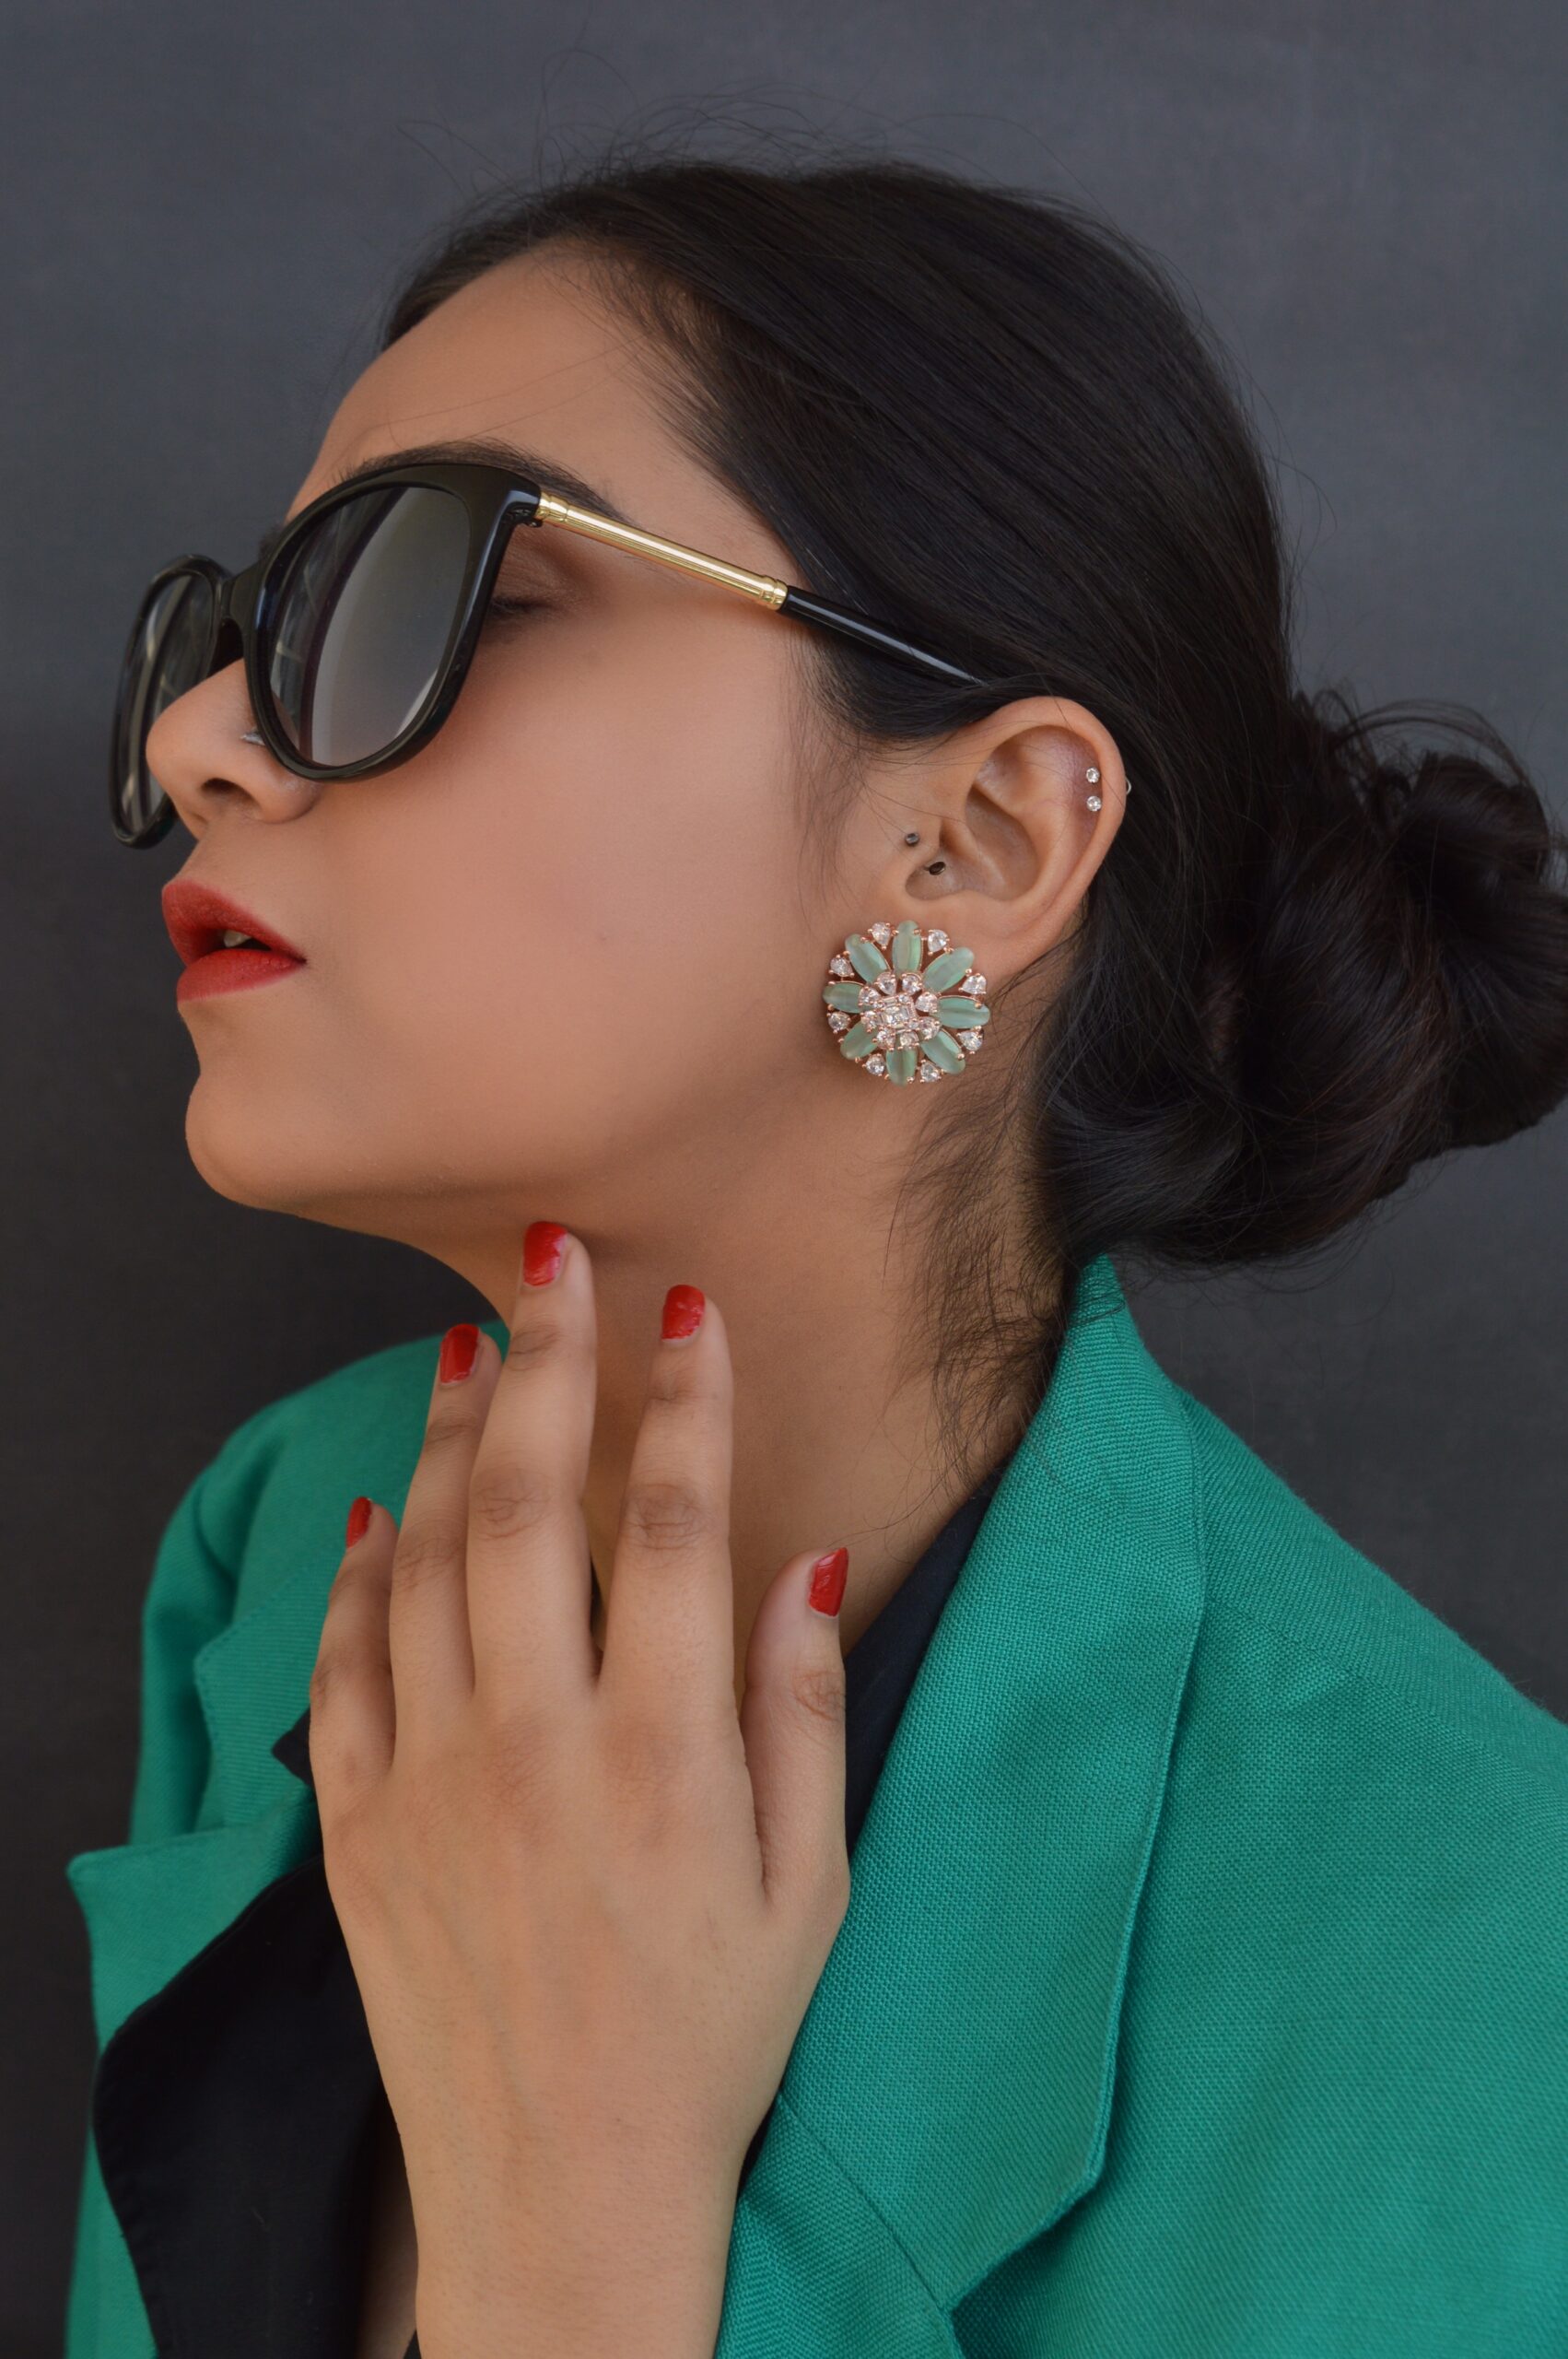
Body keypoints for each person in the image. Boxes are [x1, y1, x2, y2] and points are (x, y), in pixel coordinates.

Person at [67, 147, 1568, 2358]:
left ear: (969, 839)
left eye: (431, 585)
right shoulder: (286, 1554)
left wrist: (568, 2252)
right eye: (232, 637)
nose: (202, 739)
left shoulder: (1483, 1991)